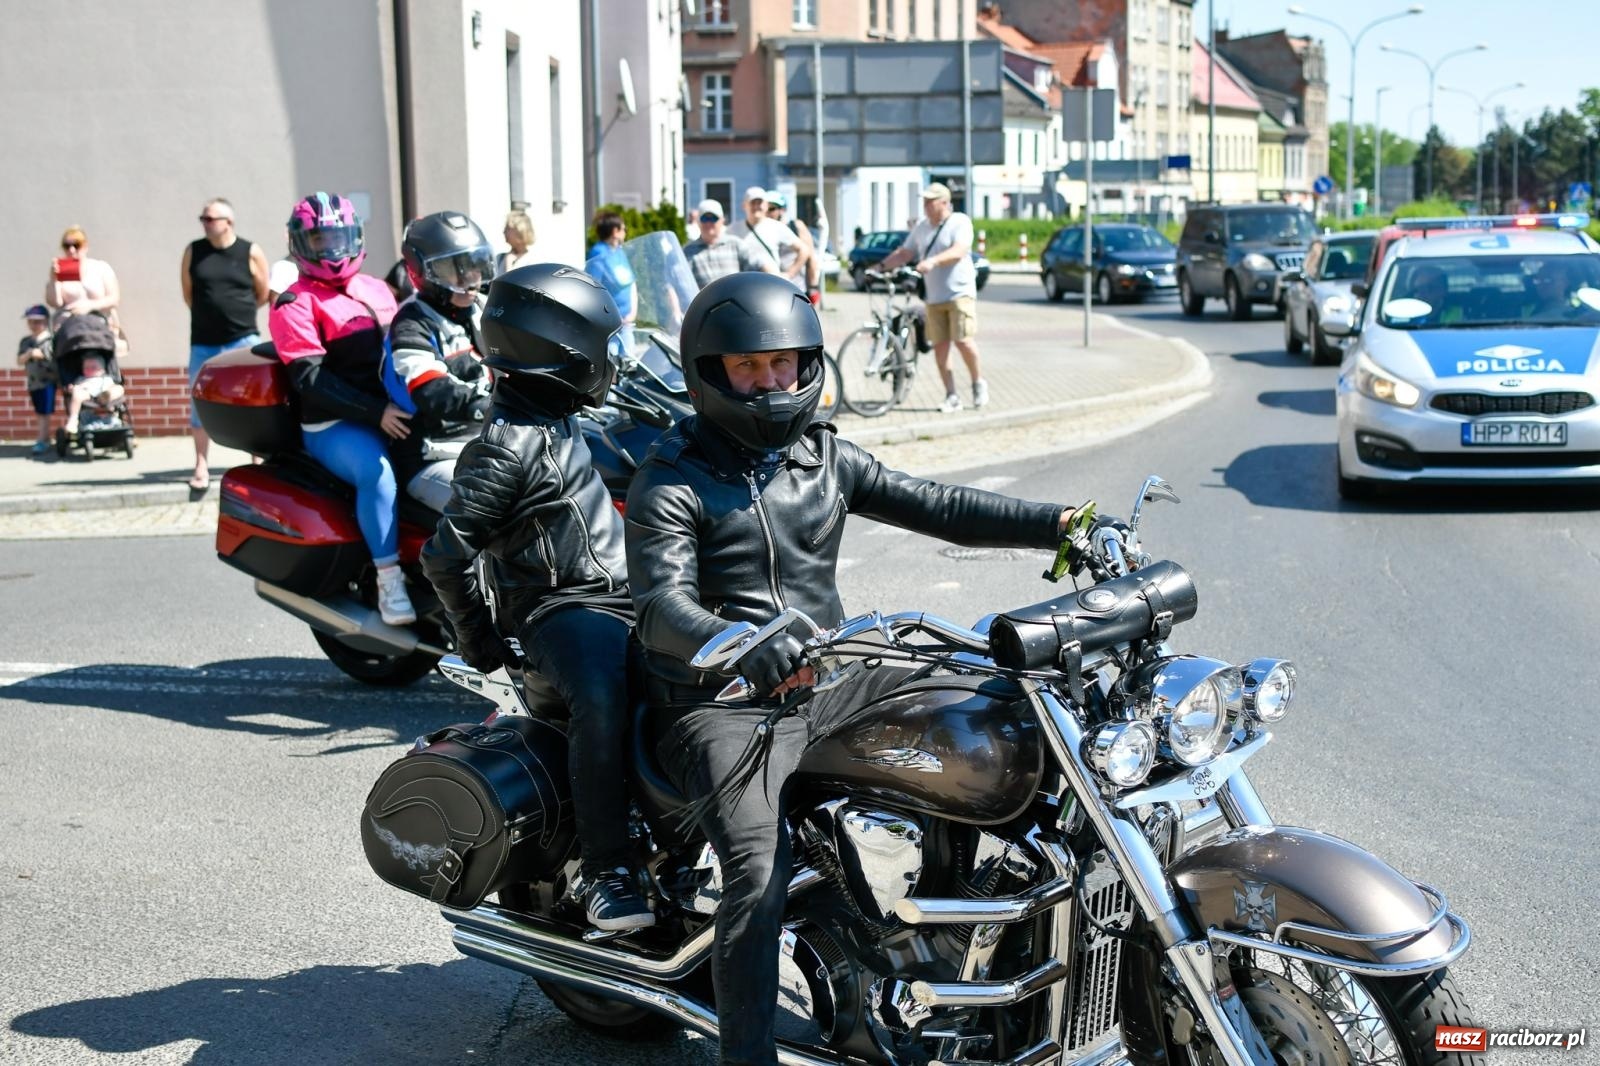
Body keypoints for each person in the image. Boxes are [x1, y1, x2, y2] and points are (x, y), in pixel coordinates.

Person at [624, 271, 1080, 1066]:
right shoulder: (671, 477)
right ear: (711, 372)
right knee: (757, 876)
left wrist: (1062, 525)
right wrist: (737, 640)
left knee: (994, 705)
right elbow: (660, 605)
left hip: (830, 675)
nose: (772, 382)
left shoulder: (821, 457)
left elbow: (937, 504)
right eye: (749, 367)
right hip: (722, 702)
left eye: (786, 363)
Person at [420, 264, 653, 933]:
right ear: (561, 359)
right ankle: (610, 870)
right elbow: (445, 553)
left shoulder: (558, 417)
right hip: (557, 610)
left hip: (613, 593)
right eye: (602, 351)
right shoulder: (504, 448)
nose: (611, 362)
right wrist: (481, 640)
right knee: (602, 693)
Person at [268, 192, 412, 625]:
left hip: (395, 410)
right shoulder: (294, 302)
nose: (331, 250)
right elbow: (311, 380)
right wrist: (376, 413)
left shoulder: (379, 289)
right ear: (299, 243)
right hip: (333, 423)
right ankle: (390, 580)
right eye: (319, 241)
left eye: (339, 238)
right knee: (379, 474)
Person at [383, 211, 495, 511]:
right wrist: (483, 402)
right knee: (492, 510)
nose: (470, 277)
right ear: (423, 272)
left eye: (473, 264)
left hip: (489, 445)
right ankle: (459, 561)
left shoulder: (482, 307)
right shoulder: (410, 323)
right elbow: (430, 389)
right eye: (453, 268)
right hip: (435, 454)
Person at [182, 198, 271, 492]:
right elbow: (189, 294)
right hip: (204, 342)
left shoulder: (250, 251)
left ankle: (258, 463)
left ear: (228, 222)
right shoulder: (194, 251)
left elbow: (262, 291)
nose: (205, 223)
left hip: (243, 338)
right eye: (203, 219)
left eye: (210, 219)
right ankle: (201, 465)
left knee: (254, 402)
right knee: (198, 403)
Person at [878, 183, 988, 413]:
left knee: (964, 341)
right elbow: (905, 252)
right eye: (925, 201)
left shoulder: (960, 222)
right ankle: (951, 395)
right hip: (934, 297)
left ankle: (978, 383)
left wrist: (933, 261)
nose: (926, 206)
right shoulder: (922, 227)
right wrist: (880, 268)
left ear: (945, 203)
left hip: (959, 293)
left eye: (931, 201)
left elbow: (959, 250)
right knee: (940, 347)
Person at [683, 199, 773, 288]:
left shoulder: (735, 244)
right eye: (705, 218)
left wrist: (773, 284)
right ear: (698, 221)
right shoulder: (688, 251)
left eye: (714, 218)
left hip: (734, 300)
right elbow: (678, 282)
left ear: (722, 220)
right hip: (703, 302)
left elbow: (760, 266)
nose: (709, 223)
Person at [44, 226, 120, 330]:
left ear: (86, 246)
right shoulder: (60, 270)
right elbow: (55, 303)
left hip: (100, 326)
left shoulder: (101, 267)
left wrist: (89, 307)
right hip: (69, 329)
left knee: (120, 344)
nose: (71, 250)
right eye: (67, 246)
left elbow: (114, 299)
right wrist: (53, 279)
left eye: (76, 245)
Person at [585, 211, 637, 359]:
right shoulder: (598, 253)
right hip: (611, 324)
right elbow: (593, 288)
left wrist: (633, 311)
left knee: (629, 359)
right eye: (623, 229)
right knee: (611, 360)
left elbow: (631, 282)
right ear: (615, 231)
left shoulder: (619, 251)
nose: (625, 232)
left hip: (627, 321)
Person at [730, 187, 804, 290]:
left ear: (766, 206)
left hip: (772, 285)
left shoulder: (777, 227)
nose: (756, 206)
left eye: (759, 203)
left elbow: (803, 250)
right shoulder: (733, 229)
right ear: (744, 206)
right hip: (744, 286)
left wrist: (789, 274)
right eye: (752, 203)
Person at [763, 192, 818, 300]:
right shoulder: (761, 229)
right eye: (765, 208)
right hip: (770, 287)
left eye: (772, 209)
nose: (767, 213)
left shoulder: (795, 226)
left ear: (782, 210)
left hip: (796, 286)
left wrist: (813, 286)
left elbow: (810, 255)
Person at [16, 306, 55, 456]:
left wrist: (40, 354)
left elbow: (52, 357)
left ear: (45, 322)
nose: (33, 325)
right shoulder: (26, 341)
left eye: (37, 322)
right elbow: (20, 360)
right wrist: (30, 354)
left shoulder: (50, 340)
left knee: (45, 411)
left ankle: (42, 440)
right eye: (30, 322)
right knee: (39, 412)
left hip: (48, 381)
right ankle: (44, 437)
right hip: (33, 381)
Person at [498, 208, 537, 274]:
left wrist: (509, 264)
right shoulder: (499, 258)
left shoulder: (533, 261)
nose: (504, 232)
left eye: (507, 228)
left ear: (519, 231)